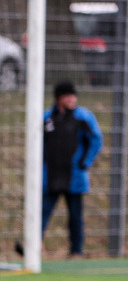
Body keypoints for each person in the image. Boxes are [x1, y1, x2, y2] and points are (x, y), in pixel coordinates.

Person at [41, 80, 102, 257]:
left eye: (74, 96)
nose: (72, 99)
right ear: (59, 98)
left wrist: (85, 161)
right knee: (42, 213)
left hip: (74, 176)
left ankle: (76, 251)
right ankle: (32, 247)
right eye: (68, 96)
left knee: (75, 216)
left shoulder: (83, 117)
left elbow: (96, 140)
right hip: (51, 176)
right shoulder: (46, 118)